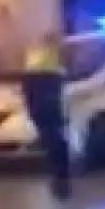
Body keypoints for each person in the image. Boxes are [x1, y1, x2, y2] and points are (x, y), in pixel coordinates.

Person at [21, 31, 72, 199]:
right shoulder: (43, 59)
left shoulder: (40, 59)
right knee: (53, 139)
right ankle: (60, 179)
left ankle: (61, 180)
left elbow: (29, 92)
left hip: (43, 90)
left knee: (53, 139)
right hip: (45, 90)